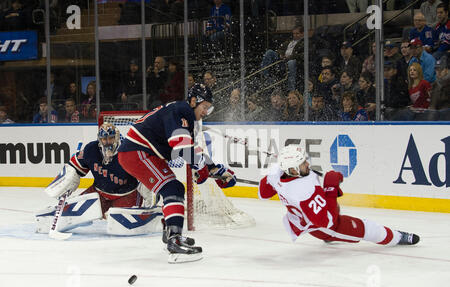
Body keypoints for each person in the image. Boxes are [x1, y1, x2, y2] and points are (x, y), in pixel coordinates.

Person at [117, 83, 237, 263]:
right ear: (194, 101)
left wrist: (215, 170)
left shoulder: (184, 115)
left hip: (143, 153)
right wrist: (202, 168)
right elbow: (182, 148)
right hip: (137, 152)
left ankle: (171, 234)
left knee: (173, 189)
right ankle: (174, 240)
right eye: (205, 107)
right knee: (172, 189)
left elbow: (191, 150)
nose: (206, 112)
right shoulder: (181, 111)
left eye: (209, 109)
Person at [258, 145, 420, 248]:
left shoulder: (278, 174)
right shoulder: (303, 191)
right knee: (366, 228)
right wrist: (330, 187)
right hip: (322, 227)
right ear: (293, 170)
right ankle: (397, 238)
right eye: (302, 163)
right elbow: (328, 221)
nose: (307, 164)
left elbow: (263, 194)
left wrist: (273, 173)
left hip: (308, 219)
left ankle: (330, 237)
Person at [261, 25, 305, 91]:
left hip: (293, 62)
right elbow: (279, 49)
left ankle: (291, 89)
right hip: (282, 60)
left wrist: (290, 57)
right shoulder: (289, 42)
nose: (295, 35)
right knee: (269, 52)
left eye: (297, 33)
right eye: (294, 33)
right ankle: (265, 75)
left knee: (291, 62)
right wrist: (281, 54)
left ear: (302, 33)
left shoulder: (305, 42)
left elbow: (303, 55)